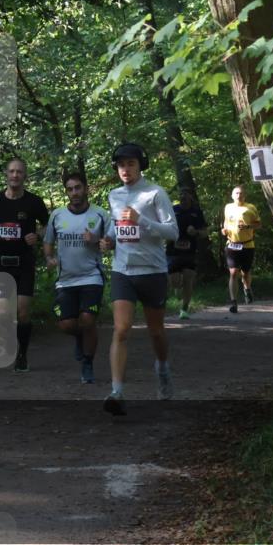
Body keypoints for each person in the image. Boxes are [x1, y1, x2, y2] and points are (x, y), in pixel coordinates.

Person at [99, 143, 179, 416]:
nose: (125, 169)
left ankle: (163, 368)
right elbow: (116, 223)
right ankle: (117, 391)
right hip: (123, 271)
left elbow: (172, 232)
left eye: (131, 164)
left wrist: (142, 220)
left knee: (156, 331)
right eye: (121, 165)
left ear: (140, 165)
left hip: (153, 271)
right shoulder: (114, 195)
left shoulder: (155, 193)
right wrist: (108, 239)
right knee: (121, 329)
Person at [0, 157, 49, 372]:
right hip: (3, 262)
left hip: (25, 263)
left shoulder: (34, 202)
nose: (15, 175)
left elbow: (48, 226)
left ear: (25, 175)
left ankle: (22, 354)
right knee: (1, 313)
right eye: (12, 171)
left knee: (22, 312)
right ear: (6, 174)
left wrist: (37, 235)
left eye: (19, 172)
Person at [43, 171, 109, 384]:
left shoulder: (100, 214)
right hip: (66, 280)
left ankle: (87, 363)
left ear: (86, 188)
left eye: (78, 188)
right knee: (66, 325)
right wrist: (49, 257)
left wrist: (97, 239)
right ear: (66, 192)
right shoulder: (57, 215)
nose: (74, 193)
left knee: (88, 320)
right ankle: (81, 338)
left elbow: (111, 243)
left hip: (92, 277)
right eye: (70, 189)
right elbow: (48, 241)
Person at [166, 188, 209, 319]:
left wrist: (196, 232)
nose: (183, 197)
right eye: (181, 195)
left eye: (185, 195)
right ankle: (177, 288)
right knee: (174, 282)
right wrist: (168, 236)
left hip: (190, 251)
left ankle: (184, 309)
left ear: (190, 197)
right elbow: (164, 227)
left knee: (188, 278)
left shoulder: (197, 212)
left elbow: (205, 232)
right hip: (173, 250)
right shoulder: (173, 210)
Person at [221, 185, 261, 314]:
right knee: (233, 272)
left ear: (245, 195)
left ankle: (247, 289)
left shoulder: (251, 208)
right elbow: (226, 222)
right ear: (232, 196)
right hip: (232, 244)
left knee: (246, 272)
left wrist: (248, 226)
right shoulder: (228, 207)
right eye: (236, 193)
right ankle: (233, 302)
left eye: (241, 193)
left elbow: (259, 224)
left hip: (247, 245)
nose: (239, 195)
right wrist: (224, 230)